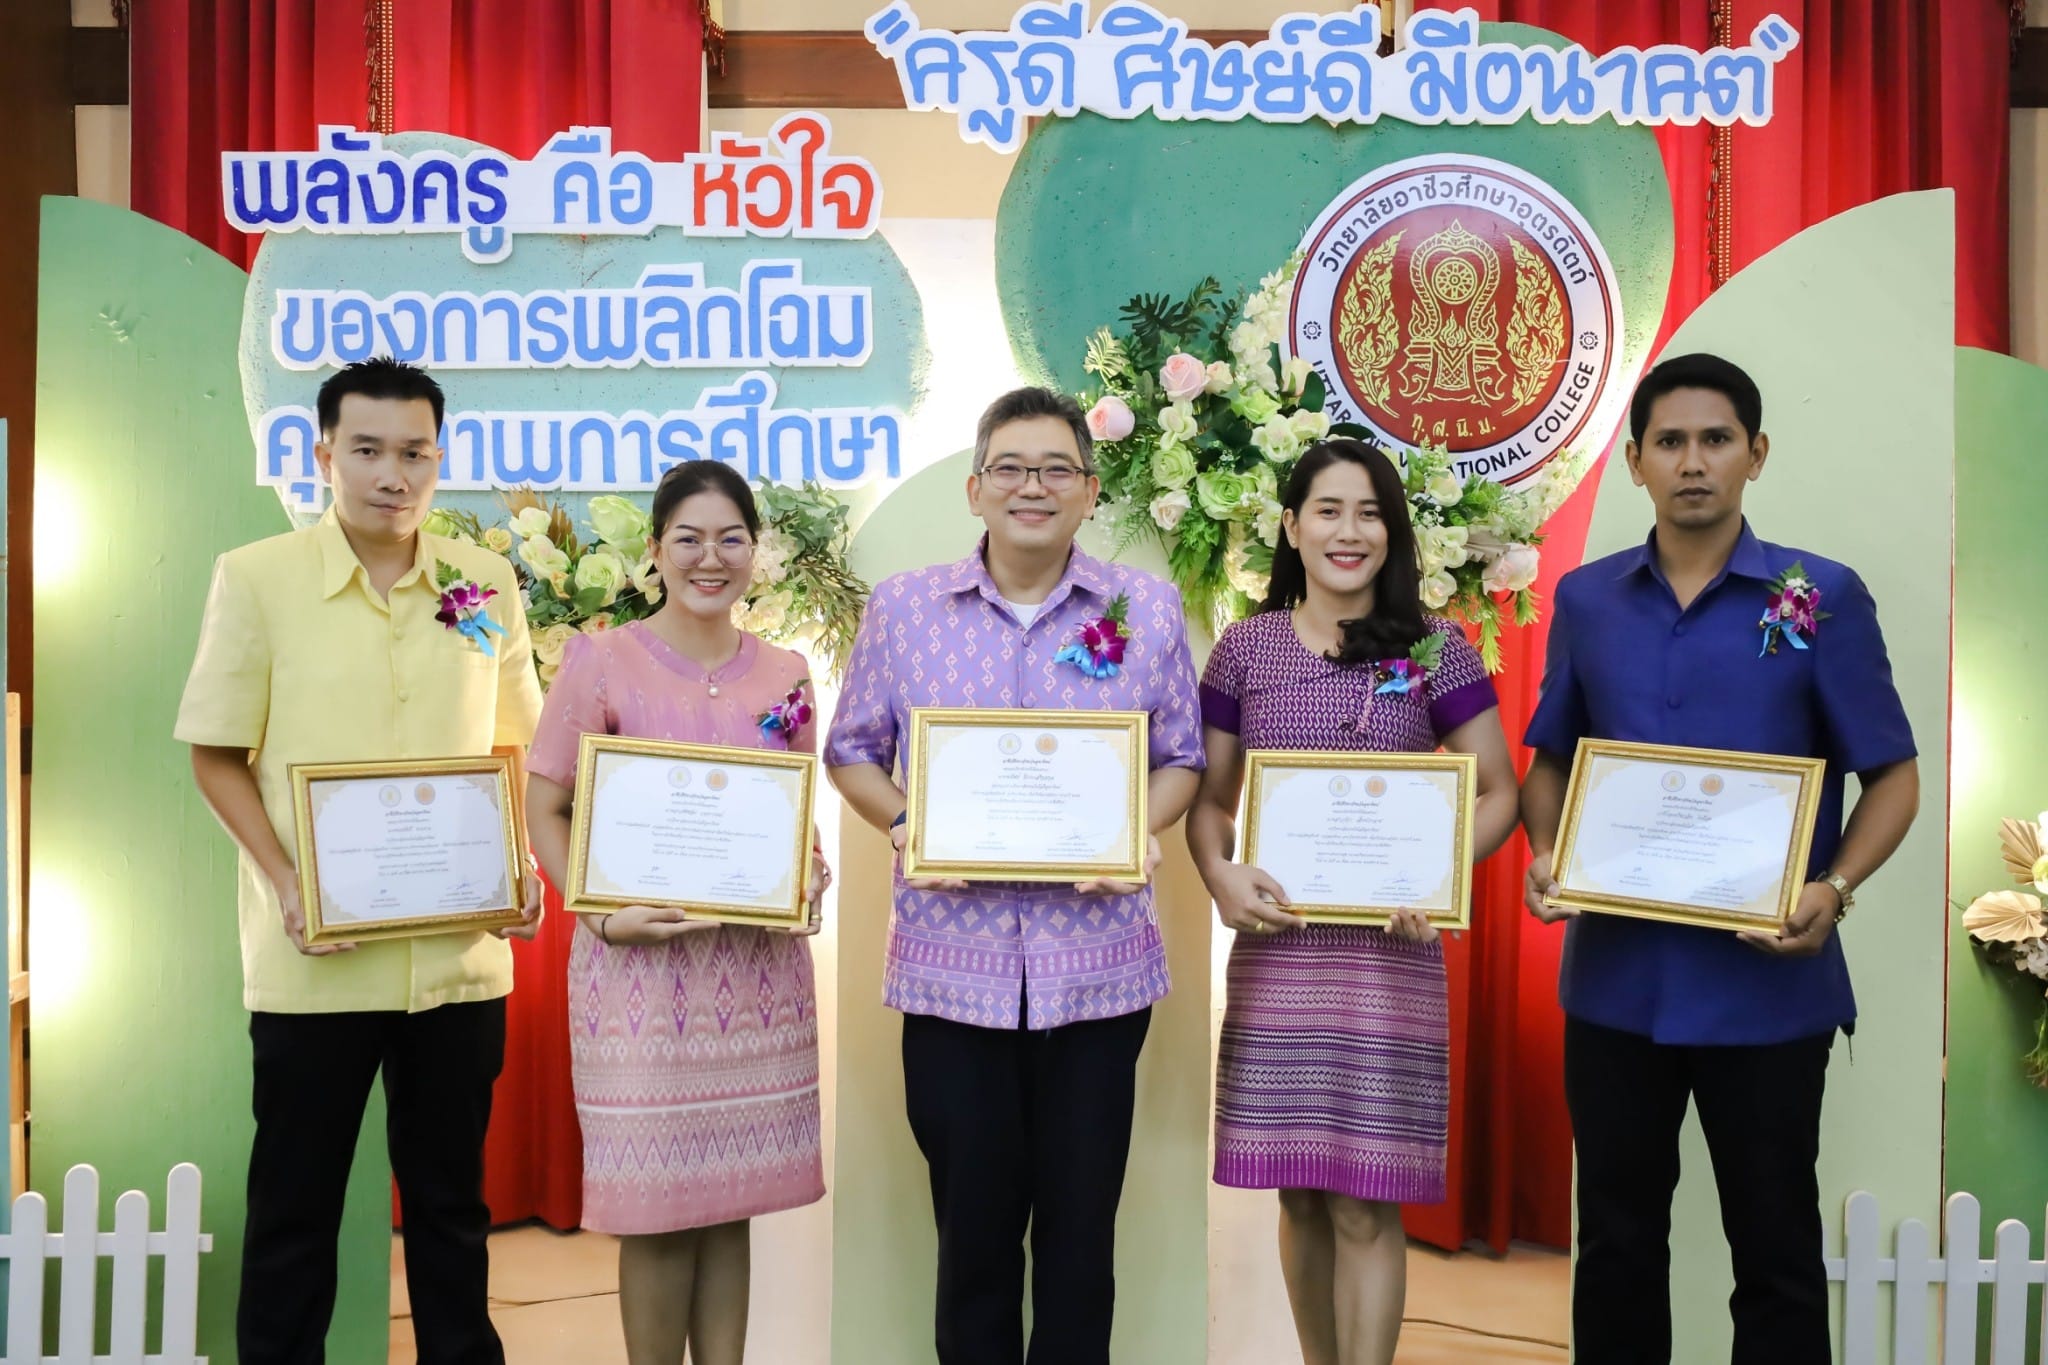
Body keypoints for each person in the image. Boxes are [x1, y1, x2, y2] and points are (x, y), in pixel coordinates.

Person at [1520, 353, 1920, 1364]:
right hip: (1616, 988)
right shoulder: (1586, 599)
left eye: (1713, 440)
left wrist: (1831, 888)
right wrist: (1543, 848)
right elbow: (1550, 761)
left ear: (1754, 455)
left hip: (1768, 993)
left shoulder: (1816, 597)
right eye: (1668, 442)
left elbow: (1893, 777)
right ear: (1634, 464)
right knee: (1613, 1246)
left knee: (1776, 1250)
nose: (1691, 461)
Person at [823, 386, 1204, 1365]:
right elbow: (851, 750)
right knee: (974, 1243)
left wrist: (1136, 828)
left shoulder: (1145, 610)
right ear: (974, 488)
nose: (1030, 487)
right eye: (1010, 467)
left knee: (1081, 1247)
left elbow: (1181, 761)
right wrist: (909, 823)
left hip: (1098, 973)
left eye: (1054, 470)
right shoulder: (904, 609)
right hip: (951, 975)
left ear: (1087, 492)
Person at [176, 357, 545, 1365]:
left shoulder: (483, 586)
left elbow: (515, 745)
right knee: (296, 1218)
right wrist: (288, 882)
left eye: (416, 452)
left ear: (439, 457)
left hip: (458, 962)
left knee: (450, 1215)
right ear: (324, 452)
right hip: (315, 964)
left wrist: (517, 868)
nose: (395, 474)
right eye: (370, 450)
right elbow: (215, 752)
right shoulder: (258, 579)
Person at [1186, 438, 1519, 1365]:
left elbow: (1498, 788)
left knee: (1365, 1197)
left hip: (1390, 959)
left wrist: (1439, 878)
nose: (1349, 530)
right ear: (1290, 527)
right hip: (1279, 953)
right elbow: (1211, 801)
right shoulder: (1244, 649)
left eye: (1370, 511)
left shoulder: (1436, 647)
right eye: (1328, 509)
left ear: (1393, 531)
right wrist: (1220, 875)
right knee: (1298, 1191)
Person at [524, 461, 829, 1365]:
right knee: (656, 1209)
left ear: (754, 550)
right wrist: (598, 913)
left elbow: (791, 814)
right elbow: (546, 805)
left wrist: (805, 873)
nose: (710, 557)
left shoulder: (786, 670)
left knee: (726, 1200)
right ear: (654, 550)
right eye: (688, 538)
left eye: (731, 537)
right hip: (637, 978)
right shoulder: (600, 659)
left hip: (756, 976)